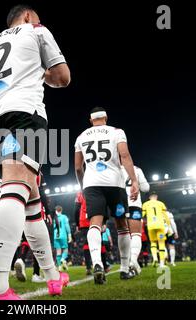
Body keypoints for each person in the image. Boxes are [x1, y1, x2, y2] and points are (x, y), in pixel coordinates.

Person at [0, 4, 70, 300]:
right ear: (29, 16)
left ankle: (53, 277)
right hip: (24, 114)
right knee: (16, 187)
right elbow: (63, 77)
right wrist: (42, 73)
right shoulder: (36, 30)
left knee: (31, 199)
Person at [74, 106, 139, 284]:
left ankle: (97, 264)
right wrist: (134, 180)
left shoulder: (81, 136)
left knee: (94, 223)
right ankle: (125, 269)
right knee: (121, 225)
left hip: (92, 185)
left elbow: (78, 167)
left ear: (90, 120)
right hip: (115, 184)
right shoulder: (117, 132)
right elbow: (124, 156)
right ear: (106, 117)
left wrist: (83, 186)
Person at [121, 165, 150, 275]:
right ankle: (133, 260)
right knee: (136, 234)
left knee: (123, 234)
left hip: (119, 204)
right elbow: (145, 188)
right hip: (134, 203)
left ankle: (125, 264)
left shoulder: (113, 168)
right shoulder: (137, 169)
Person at [142, 192, 171, 268]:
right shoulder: (161, 203)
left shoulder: (145, 204)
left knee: (153, 242)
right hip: (160, 226)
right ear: (156, 197)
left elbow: (142, 215)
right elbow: (166, 215)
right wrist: (168, 225)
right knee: (161, 243)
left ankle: (155, 258)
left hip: (151, 226)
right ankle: (161, 263)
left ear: (149, 197)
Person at [74, 191, 92, 275]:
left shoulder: (79, 193)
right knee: (97, 242)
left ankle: (88, 267)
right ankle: (99, 264)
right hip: (95, 219)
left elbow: (76, 209)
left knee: (86, 243)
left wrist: (77, 224)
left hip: (83, 221)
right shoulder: (95, 187)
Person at [53, 206, 72, 271]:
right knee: (65, 249)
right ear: (61, 210)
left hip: (55, 236)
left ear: (55, 210)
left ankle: (59, 267)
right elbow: (67, 226)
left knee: (58, 251)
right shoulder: (64, 217)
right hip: (63, 235)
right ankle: (63, 259)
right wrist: (69, 234)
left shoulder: (54, 218)